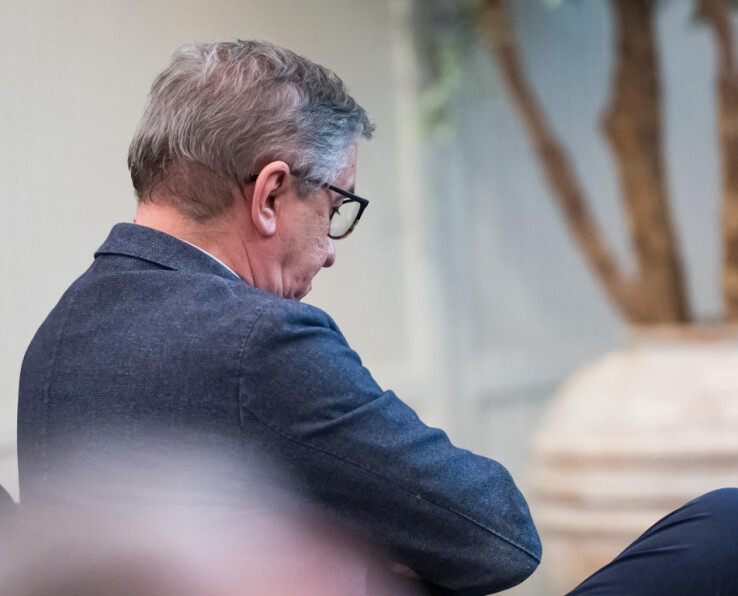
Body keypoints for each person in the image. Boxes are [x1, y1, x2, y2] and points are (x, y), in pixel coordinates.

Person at [16, 40, 738, 596]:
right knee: (724, 525)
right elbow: (500, 537)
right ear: (270, 195)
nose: (332, 251)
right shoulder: (259, 342)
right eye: (336, 207)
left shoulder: (54, 340)